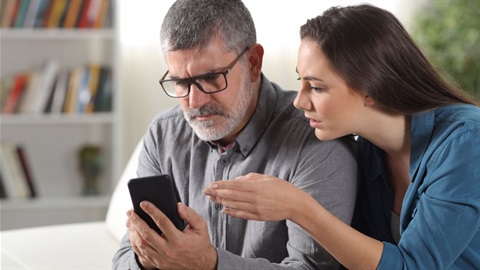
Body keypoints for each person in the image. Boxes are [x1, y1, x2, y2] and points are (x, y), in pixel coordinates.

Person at [204, 4, 480, 270]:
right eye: (300, 81)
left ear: (371, 88)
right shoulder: (369, 152)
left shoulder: (465, 143)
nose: (299, 102)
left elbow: (413, 265)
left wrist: (299, 207)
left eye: (316, 87)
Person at [112, 0, 358, 269]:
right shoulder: (164, 134)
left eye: (211, 78)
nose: (195, 101)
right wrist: (150, 257)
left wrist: (208, 264)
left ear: (253, 63)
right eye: (180, 83)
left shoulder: (315, 139)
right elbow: (125, 257)